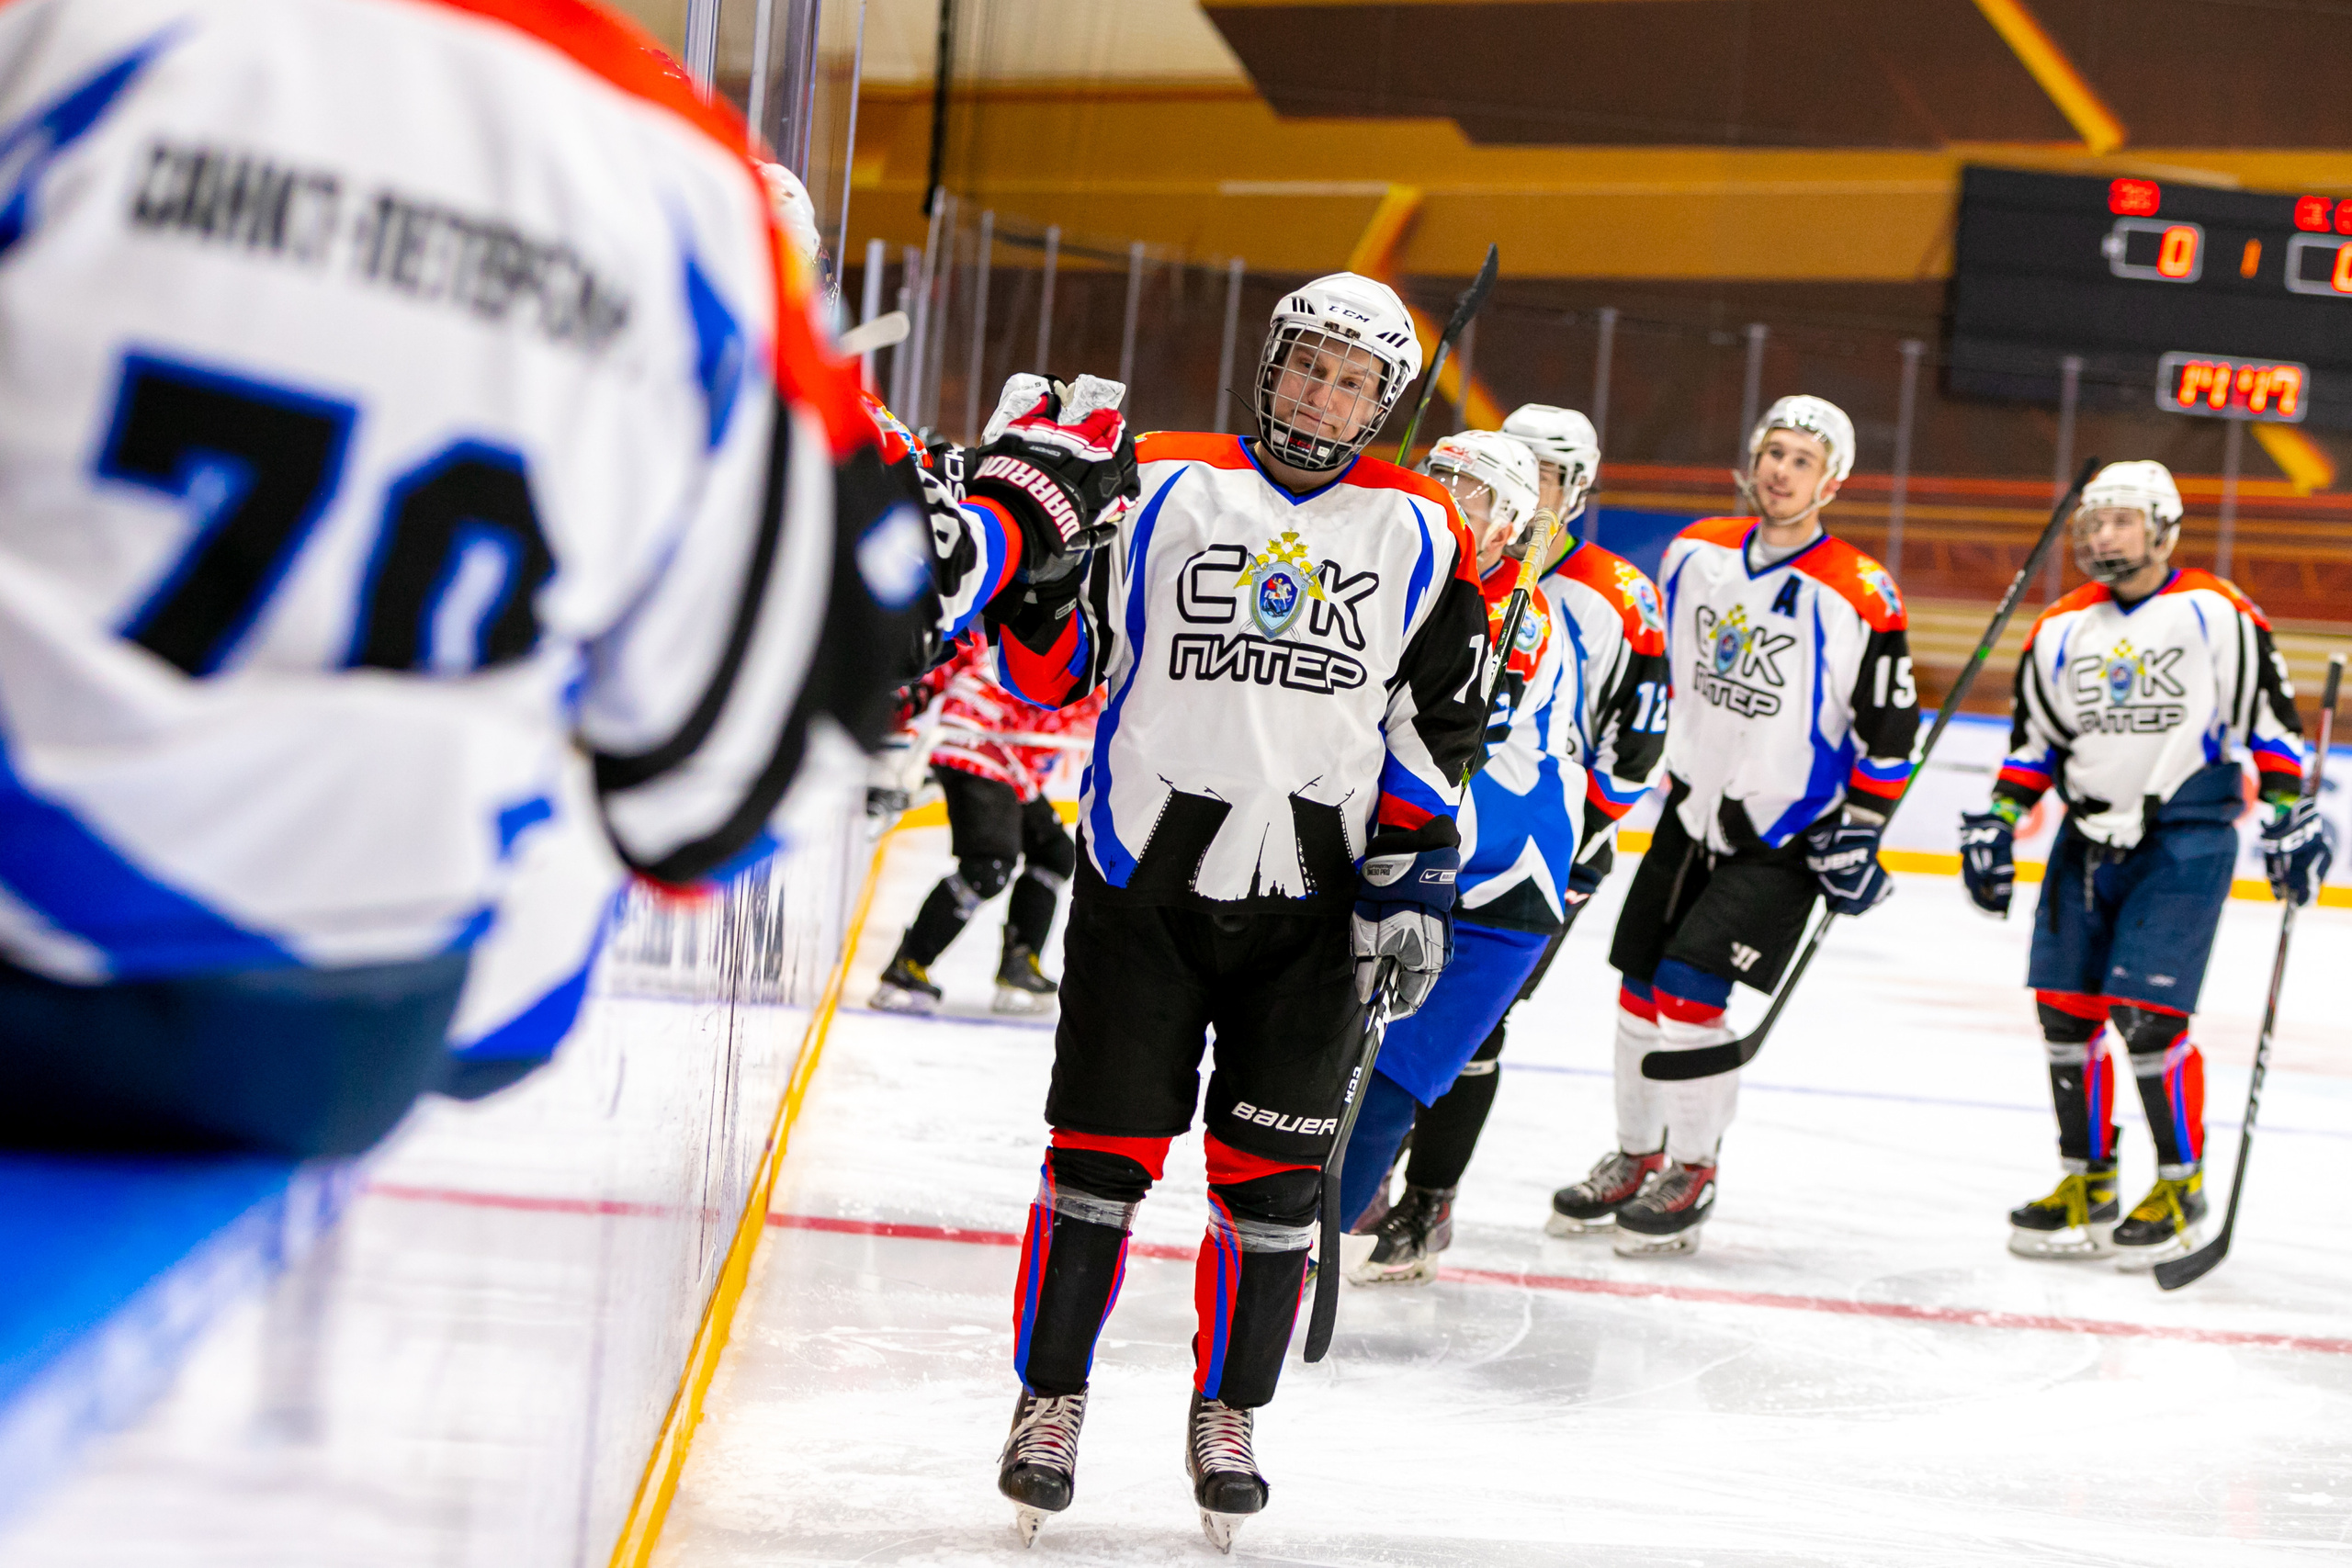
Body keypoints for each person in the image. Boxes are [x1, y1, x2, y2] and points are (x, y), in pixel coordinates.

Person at [0, 0, 1128, 1155]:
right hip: (351, 1006)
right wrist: (1008, 521)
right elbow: (735, 782)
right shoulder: (673, 194)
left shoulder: (86, 41)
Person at [982, 273, 1489, 1551]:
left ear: (1384, 404)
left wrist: (1415, 873)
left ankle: (1229, 1414)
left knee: (1271, 1187)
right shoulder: (1157, 478)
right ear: (1270, 362)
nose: (1323, 395)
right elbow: (1055, 670)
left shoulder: (1423, 527)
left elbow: (1435, 721)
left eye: (1353, 381)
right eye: (1309, 364)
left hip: (1315, 907)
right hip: (1142, 882)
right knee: (1096, 1160)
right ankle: (1050, 1400)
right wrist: (1035, 574)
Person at [1546, 395, 1917, 1257]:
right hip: (1688, 807)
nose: (1781, 470)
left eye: (1802, 460)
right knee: (1638, 990)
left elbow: (1891, 729)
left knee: (1688, 994)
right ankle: (1637, 1155)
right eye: (1773, 451)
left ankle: (1694, 1166)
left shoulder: (1861, 592)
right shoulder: (1696, 551)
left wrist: (1863, 826)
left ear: (1832, 481)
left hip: (1785, 832)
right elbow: (1665, 674)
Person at [1959, 460, 2324, 1269]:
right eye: (2094, 520)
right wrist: (1999, 819)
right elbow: (2034, 745)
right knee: (2064, 1013)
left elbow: (2272, 727)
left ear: (2164, 528)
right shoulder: (2061, 625)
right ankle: (2086, 1183)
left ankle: (2180, 1187)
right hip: (2085, 839)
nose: (2103, 534)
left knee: (2150, 1018)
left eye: (2122, 519)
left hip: (2184, 836)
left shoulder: (2217, 611)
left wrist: (2288, 813)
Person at [1336, 414, 1668, 1285]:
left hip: (1505, 864)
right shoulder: (1438, 573)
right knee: (1351, 1036)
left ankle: (1418, 1201)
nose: (1454, 499)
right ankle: (1335, 1198)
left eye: (1484, 488)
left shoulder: (1573, 600)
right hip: (1421, 844)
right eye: (1446, 479)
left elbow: (1627, 738)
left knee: (1437, 1047)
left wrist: (1586, 837)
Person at [872, 631, 1100, 1014]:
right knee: (987, 867)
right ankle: (906, 968)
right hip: (982, 744)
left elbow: (956, 654)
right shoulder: (1098, 663)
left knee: (1054, 853)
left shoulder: (1070, 635)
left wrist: (914, 697)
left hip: (991, 746)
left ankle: (1018, 965)